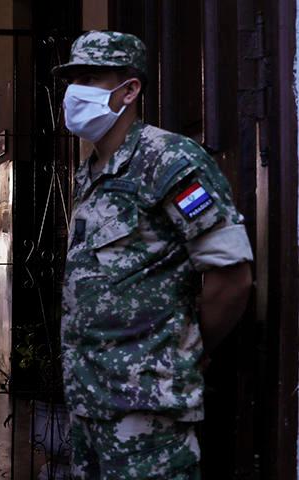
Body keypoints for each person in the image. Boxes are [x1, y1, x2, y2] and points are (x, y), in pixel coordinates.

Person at [53, 31, 253, 478]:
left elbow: (232, 275)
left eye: (92, 78)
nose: (76, 92)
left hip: (147, 407)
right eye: (73, 79)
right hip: (91, 400)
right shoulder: (91, 171)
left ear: (129, 90)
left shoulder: (170, 160)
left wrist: (190, 348)